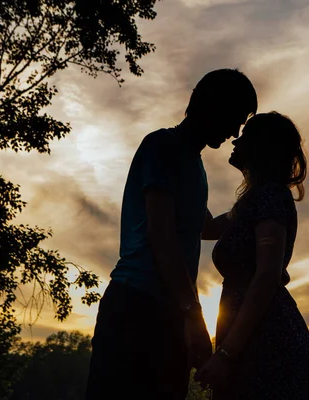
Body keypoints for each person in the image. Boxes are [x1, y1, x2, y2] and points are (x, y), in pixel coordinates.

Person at [85, 69, 258, 400]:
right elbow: (161, 232)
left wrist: (256, 200)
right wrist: (193, 315)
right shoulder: (162, 145)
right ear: (209, 105)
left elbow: (204, 227)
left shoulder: (194, 164)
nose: (235, 131)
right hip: (136, 307)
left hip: (168, 310)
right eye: (234, 118)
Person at [196, 112, 309, 399]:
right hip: (251, 336)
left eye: (246, 135)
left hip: (268, 340)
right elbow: (206, 228)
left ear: (262, 146)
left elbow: (266, 276)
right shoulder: (252, 202)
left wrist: (227, 354)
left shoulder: (271, 197)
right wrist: (186, 169)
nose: (236, 140)